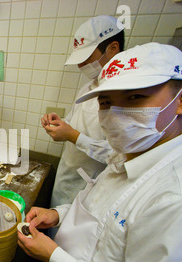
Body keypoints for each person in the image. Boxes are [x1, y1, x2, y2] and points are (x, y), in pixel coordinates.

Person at [18, 42, 182, 262]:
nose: (115, 115)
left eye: (135, 97)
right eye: (105, 102)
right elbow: (101, 215)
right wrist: (58, 214)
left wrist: (54, 256)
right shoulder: (130, 154)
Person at [42, 16, 124, 209]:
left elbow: (121, 156)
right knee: (55, 223)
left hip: (92, 186)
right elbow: (74, 122)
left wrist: (73, 136)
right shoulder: (88, 88)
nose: (81, 66)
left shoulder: (126, 97)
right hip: (67, 175)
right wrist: (59, 124)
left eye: (86, 58)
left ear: (113, 48)